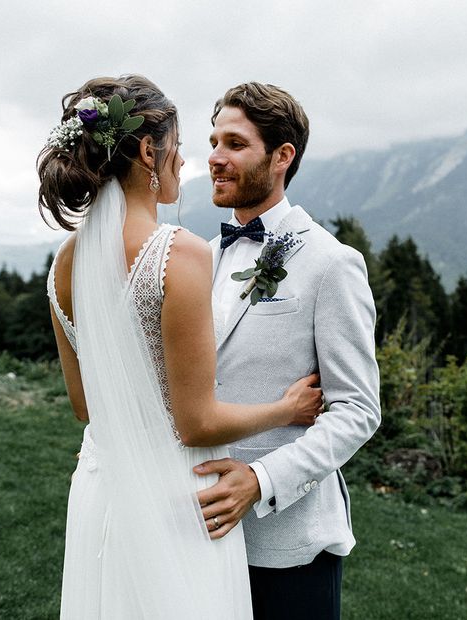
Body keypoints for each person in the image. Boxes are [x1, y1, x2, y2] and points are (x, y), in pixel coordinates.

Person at [37, 75, 323, 619]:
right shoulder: (181, 252)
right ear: (149, 151)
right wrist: (288, 408)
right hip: (178, 495)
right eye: (181, 147)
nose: (186, 163)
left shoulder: (62, 266)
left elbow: (84, 406)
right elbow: (196, 423)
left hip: (102, 492)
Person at [195, 82, 381, 620]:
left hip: (289, 543)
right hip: (203, 532)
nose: (215, 158)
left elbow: (357, 411)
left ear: (282, 157)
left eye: (234, 143)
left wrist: (260, 481)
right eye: (213, 142)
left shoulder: (332, 263)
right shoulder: (201, 258)